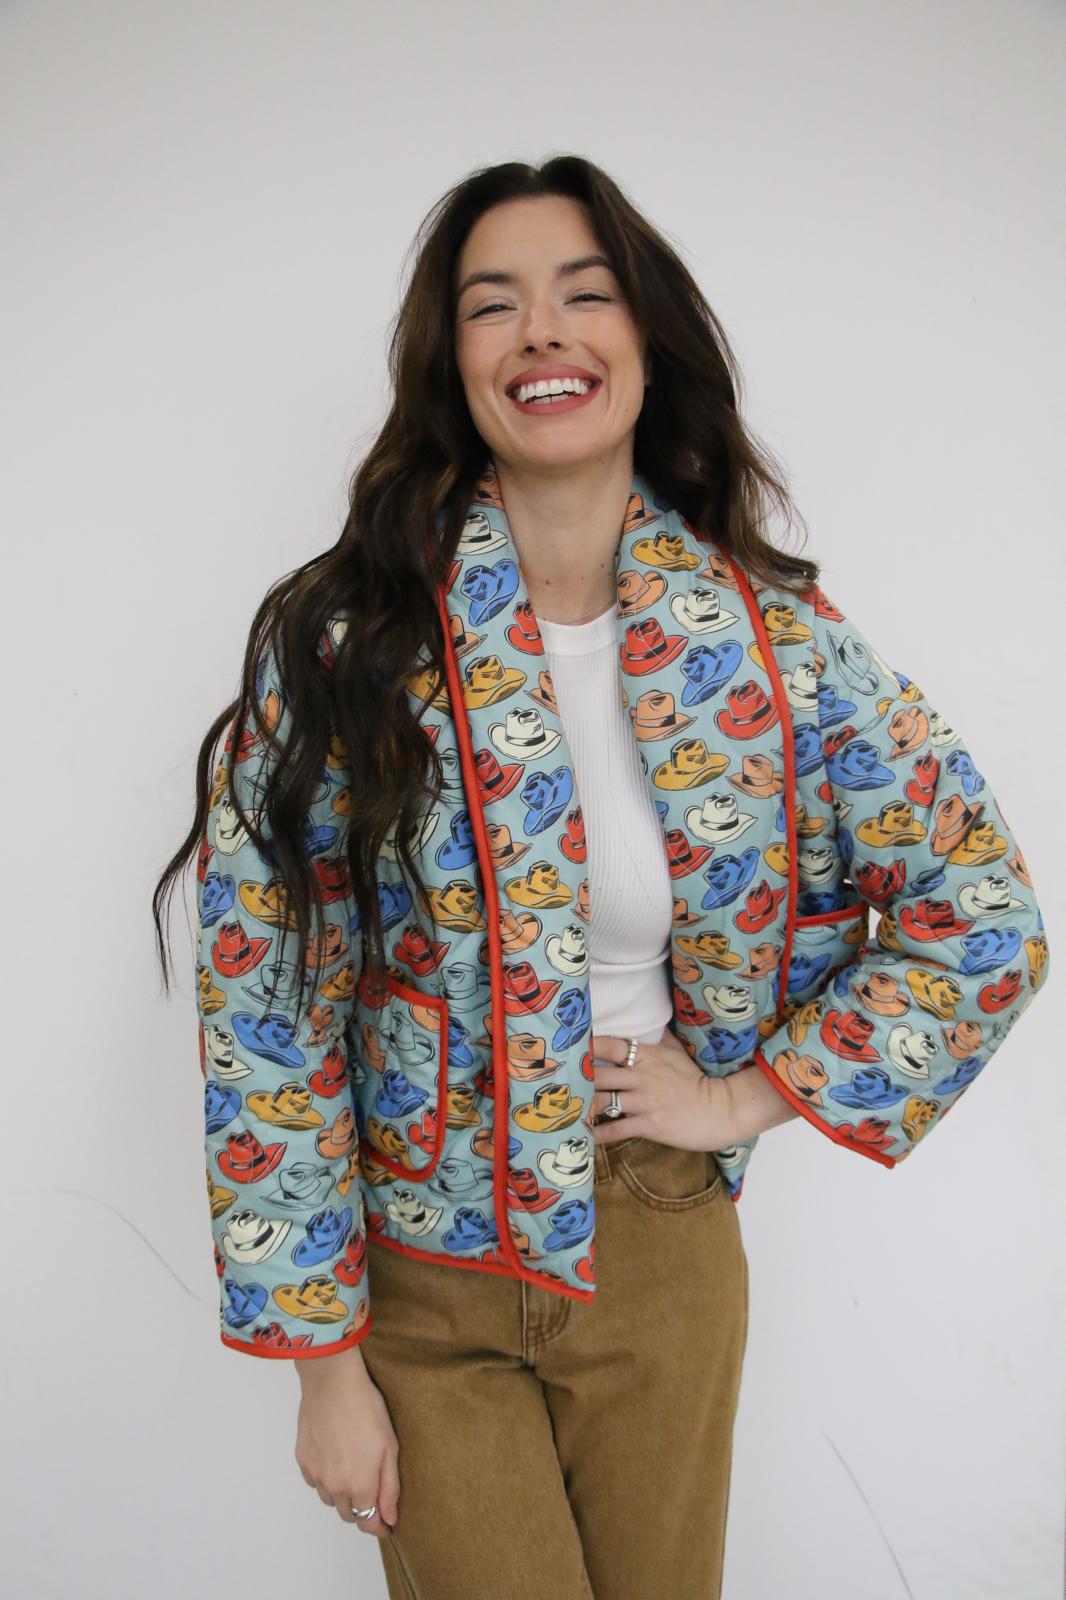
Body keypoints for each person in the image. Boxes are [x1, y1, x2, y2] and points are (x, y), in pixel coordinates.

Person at [153, 155, 1051, 1600]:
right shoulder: (343, 643)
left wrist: (743, 1098)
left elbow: (983, 913)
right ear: (453, 363)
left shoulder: (778, 648)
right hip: (425, 1276)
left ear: (645, 335)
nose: (542, 334)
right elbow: (267, 997)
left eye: (584, 294)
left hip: (659, 1246)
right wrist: (323, 1367)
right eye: (491, 305)